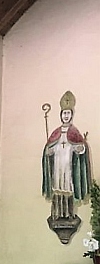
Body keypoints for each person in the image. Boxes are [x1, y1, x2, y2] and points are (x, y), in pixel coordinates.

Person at [42, 91, 91, 220]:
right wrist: (48, 152)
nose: (66, 116)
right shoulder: (56, 133)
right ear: (61, 115)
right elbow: (49, 148)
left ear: (72, 115)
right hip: (58, 166)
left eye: (68, 113)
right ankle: (57, 213)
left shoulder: (74, 132)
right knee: (57, 188)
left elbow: (80, 148)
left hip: (68, 167)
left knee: (68, 187)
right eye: (64, 113)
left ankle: (69, 214)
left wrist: (81, 149)